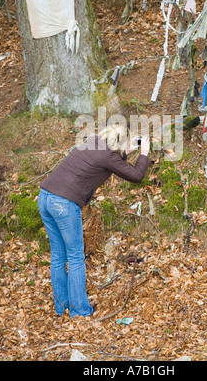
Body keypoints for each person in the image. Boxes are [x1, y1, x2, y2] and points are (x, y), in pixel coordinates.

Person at [37, 124, 150, 318]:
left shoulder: (93, 143)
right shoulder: (109, 156)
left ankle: (61, 306)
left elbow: (108, 162)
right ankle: (80, 311)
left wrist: (127, 151)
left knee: (58, 255)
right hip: (63, 204)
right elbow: (136, 175)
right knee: (75, 257)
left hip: (45, 197)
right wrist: (144, 153)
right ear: (118, 142)